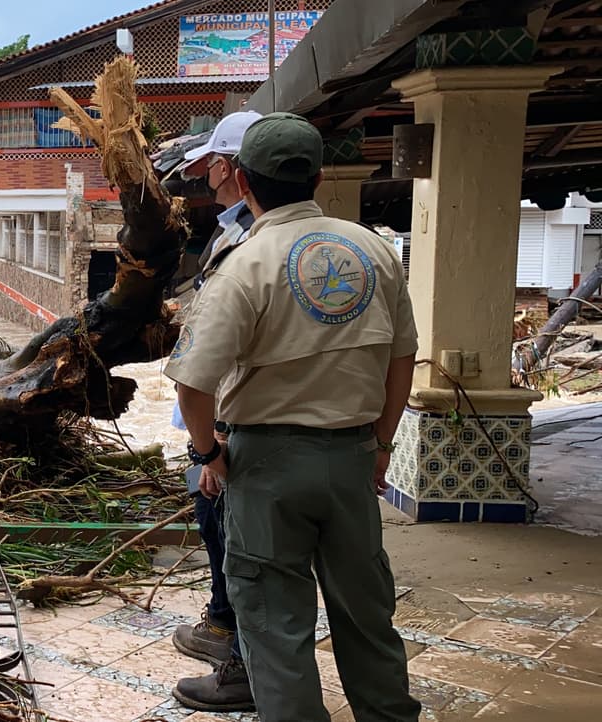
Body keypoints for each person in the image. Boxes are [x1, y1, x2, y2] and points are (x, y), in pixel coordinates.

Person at [164, 112, 422, 722]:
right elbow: (403, 357)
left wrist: (209, 455)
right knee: (367, 616)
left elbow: (192, 384)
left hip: (268, 467)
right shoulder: (375, 251)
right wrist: (381, 445)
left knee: (276, 628)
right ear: (319, 176)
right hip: (353, 458)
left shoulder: (245, 263)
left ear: (245, 182)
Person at [165, 110, 260, 713]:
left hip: (232, 421)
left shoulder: (255, 243)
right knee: (217, 525)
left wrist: (212, 446)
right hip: (229, 418)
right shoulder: (236, 231)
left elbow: (230, 356)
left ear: (233, 168)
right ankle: (225, 621)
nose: (206, 178)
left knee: (235, 536)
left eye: (213, 167)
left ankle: (238, 651)